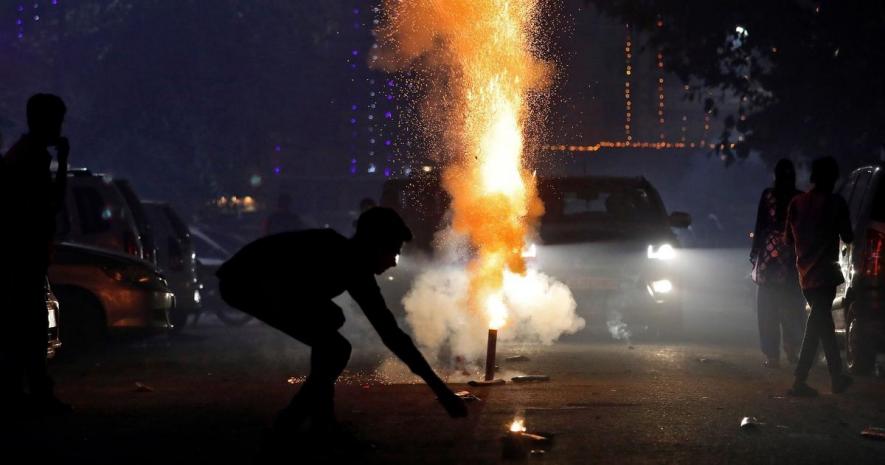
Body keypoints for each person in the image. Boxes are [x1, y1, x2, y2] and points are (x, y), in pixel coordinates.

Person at [217, 207, 467, 437]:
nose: (393, 262)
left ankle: (319, 421)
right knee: (334, 343)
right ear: (375, 244)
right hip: (244, 282)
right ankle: (293, 422)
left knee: (330, 328)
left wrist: (440, 391)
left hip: (249, 280)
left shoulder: (349, 259)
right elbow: (391, 335)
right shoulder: (343, 259)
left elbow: (390, 333)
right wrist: (441, 392)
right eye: (393, 251)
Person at [0, 93, 71, 415]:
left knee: (24, 325)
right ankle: (35, 392)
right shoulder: (34, 157)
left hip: (23, 253)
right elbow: (50, 203)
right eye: (56, 120)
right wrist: (64, 161)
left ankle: (23, 391)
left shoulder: (21, 154)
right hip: (25, 254)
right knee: (30, 325)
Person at [784, 156, 854, 396]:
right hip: (825, 276)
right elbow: (849, 235)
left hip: (805, 275)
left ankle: (836, 378)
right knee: (817, 325)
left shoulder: (796, 203)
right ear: (833, 178)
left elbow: (788, 240)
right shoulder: (836, 203)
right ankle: (800, 380)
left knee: (822, 324)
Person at [750, 159, 805, 368]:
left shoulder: (768, 196)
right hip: (792, 262)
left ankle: (772, 356)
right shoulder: (800, 198)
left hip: (769, 261)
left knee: (767, 308)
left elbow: (760, 224)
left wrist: (755, 254)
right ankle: (792, 349)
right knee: (792, 305)